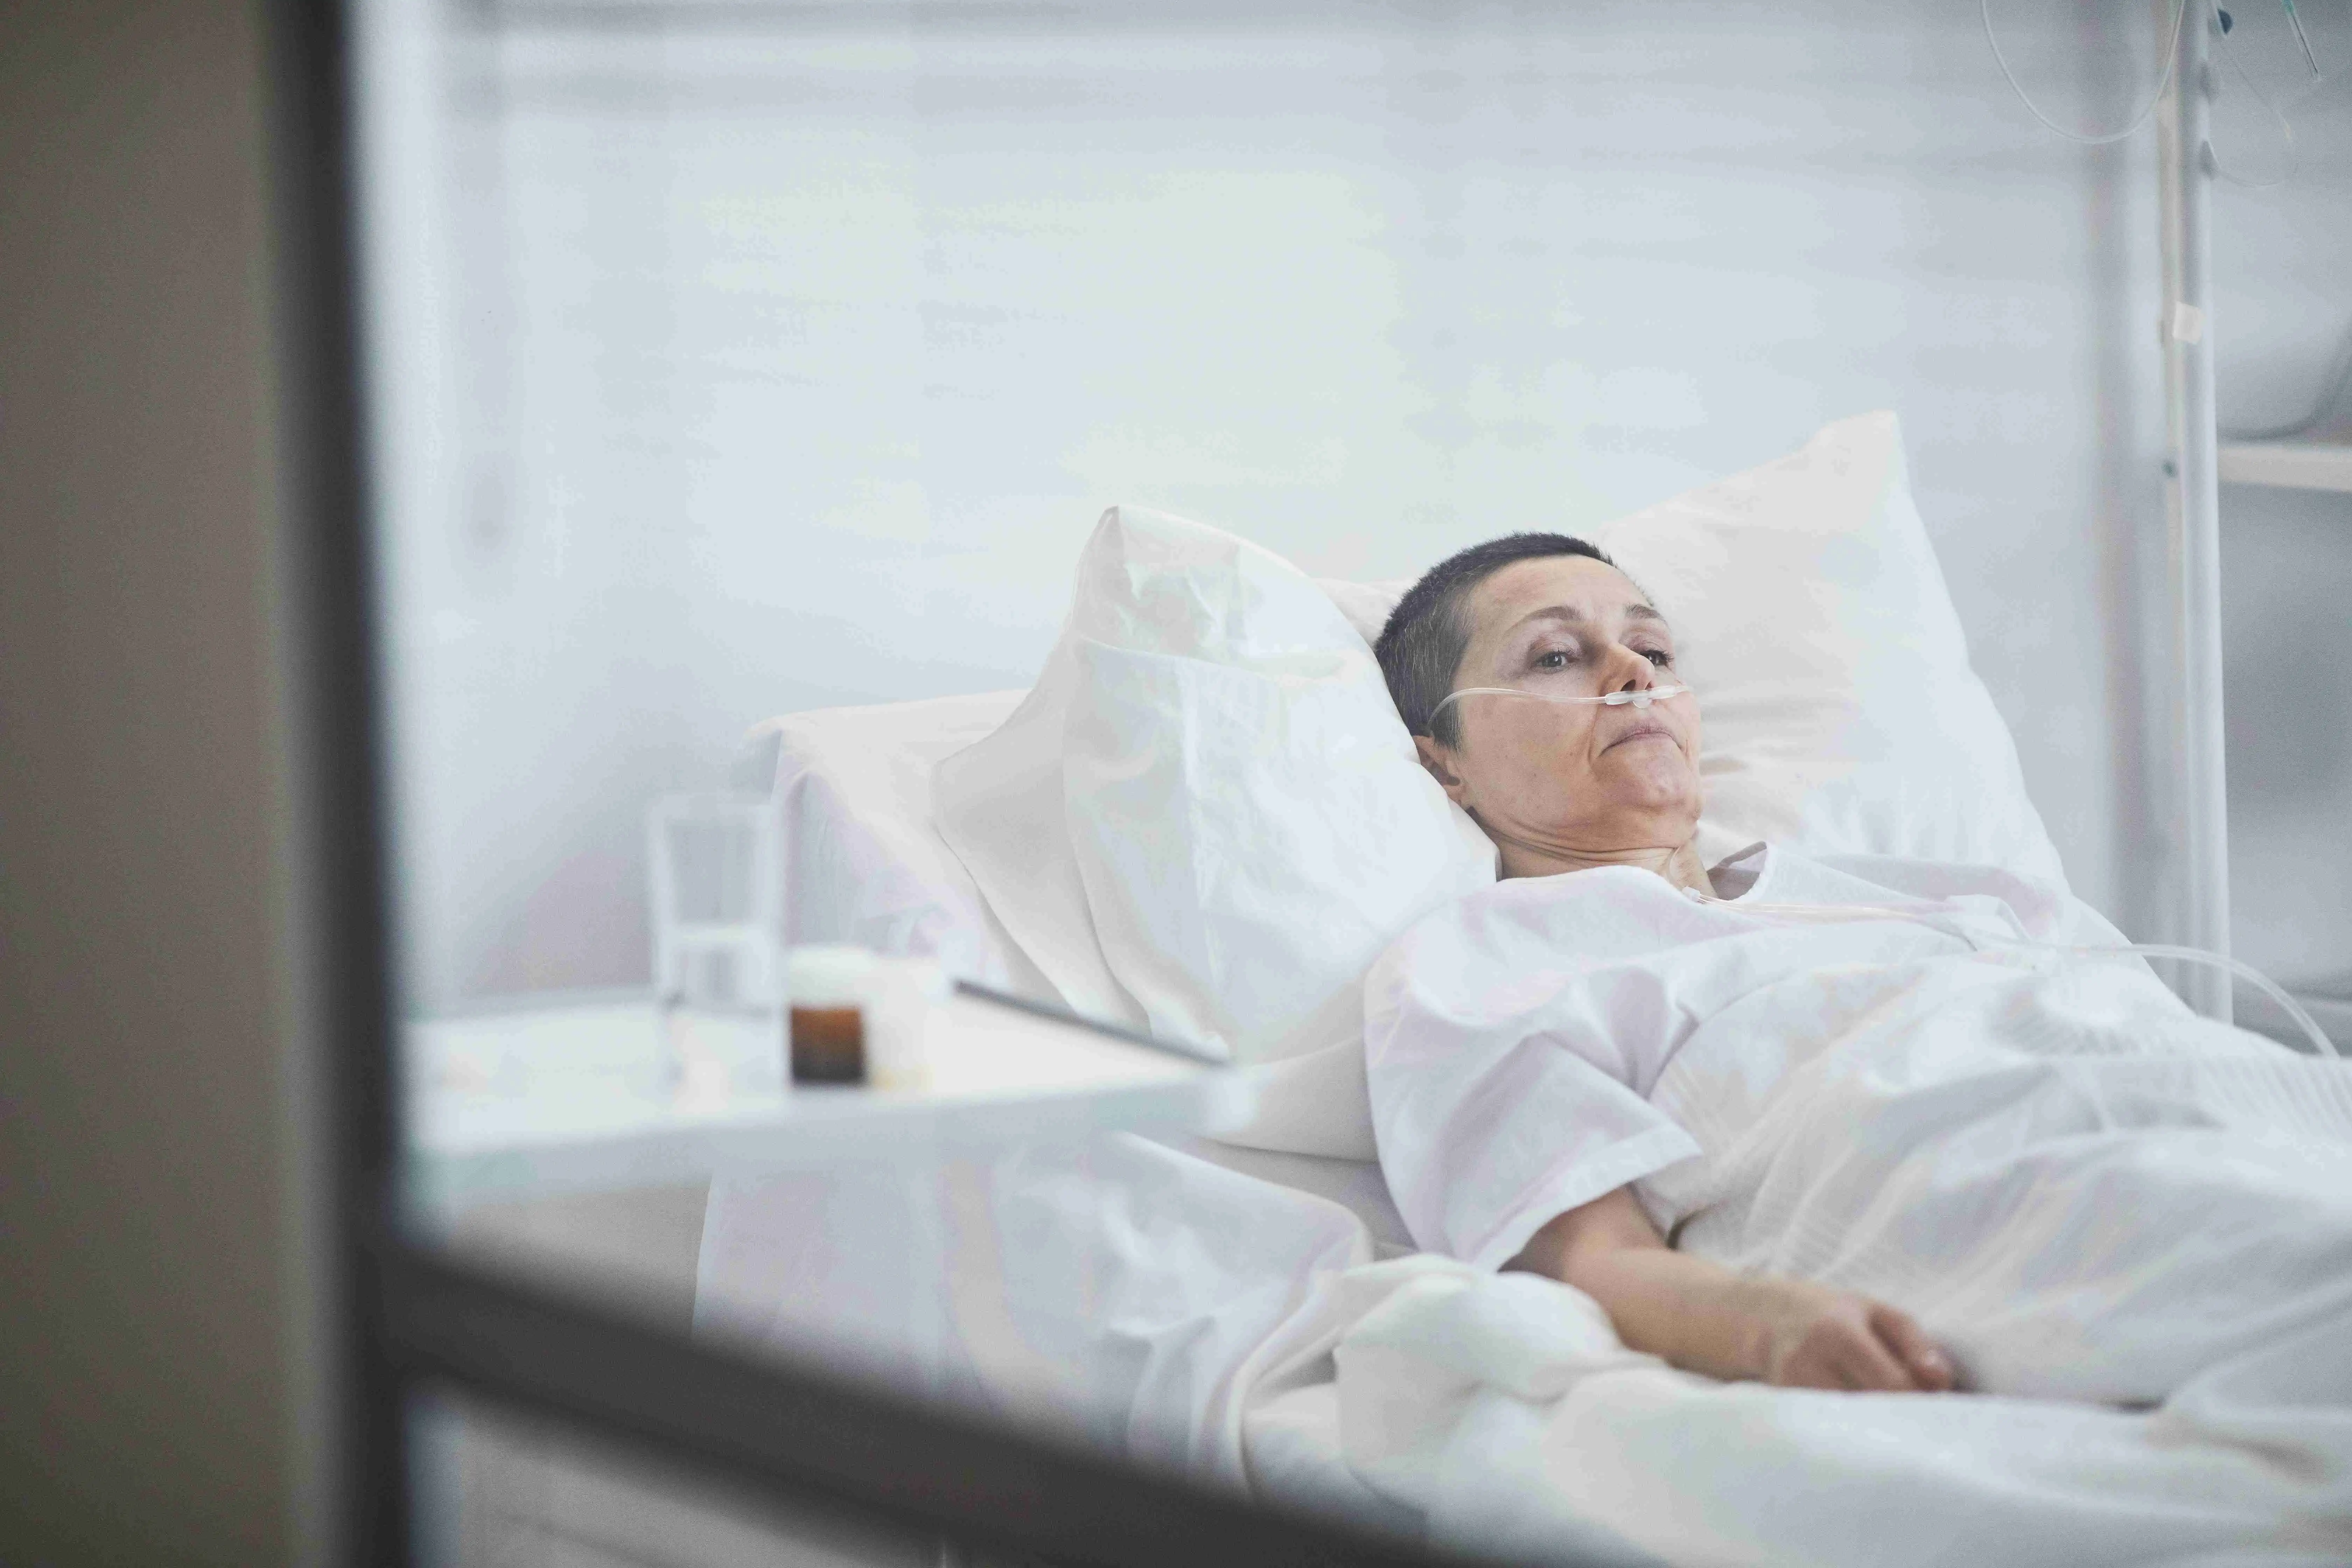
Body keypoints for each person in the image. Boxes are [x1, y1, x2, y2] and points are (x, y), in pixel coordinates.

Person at [1366, 532, 2352, 1403]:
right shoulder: (1488, 957)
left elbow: (2170, 1050)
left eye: (1655, 649)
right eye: (1556, 656)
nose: (1633, 670)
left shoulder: (1962, 892)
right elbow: (1587, 1255)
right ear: (1443, 761)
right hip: (2035, 1199)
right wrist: (1762, 1324)